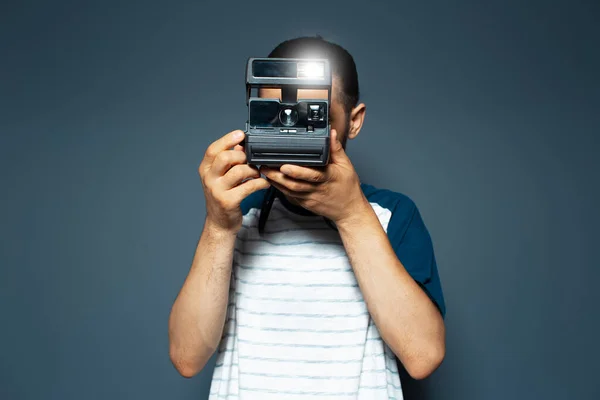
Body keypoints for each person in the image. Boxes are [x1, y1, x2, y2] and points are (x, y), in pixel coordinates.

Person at [168, 36, 446, 399]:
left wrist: (351, 215)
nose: (292, 130)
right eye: (278, 115)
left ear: (354, 121)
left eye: (314, 115)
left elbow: (423, 355)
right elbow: (187, 357)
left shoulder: (391, 215)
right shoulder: (240, 212)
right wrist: (219, 227)